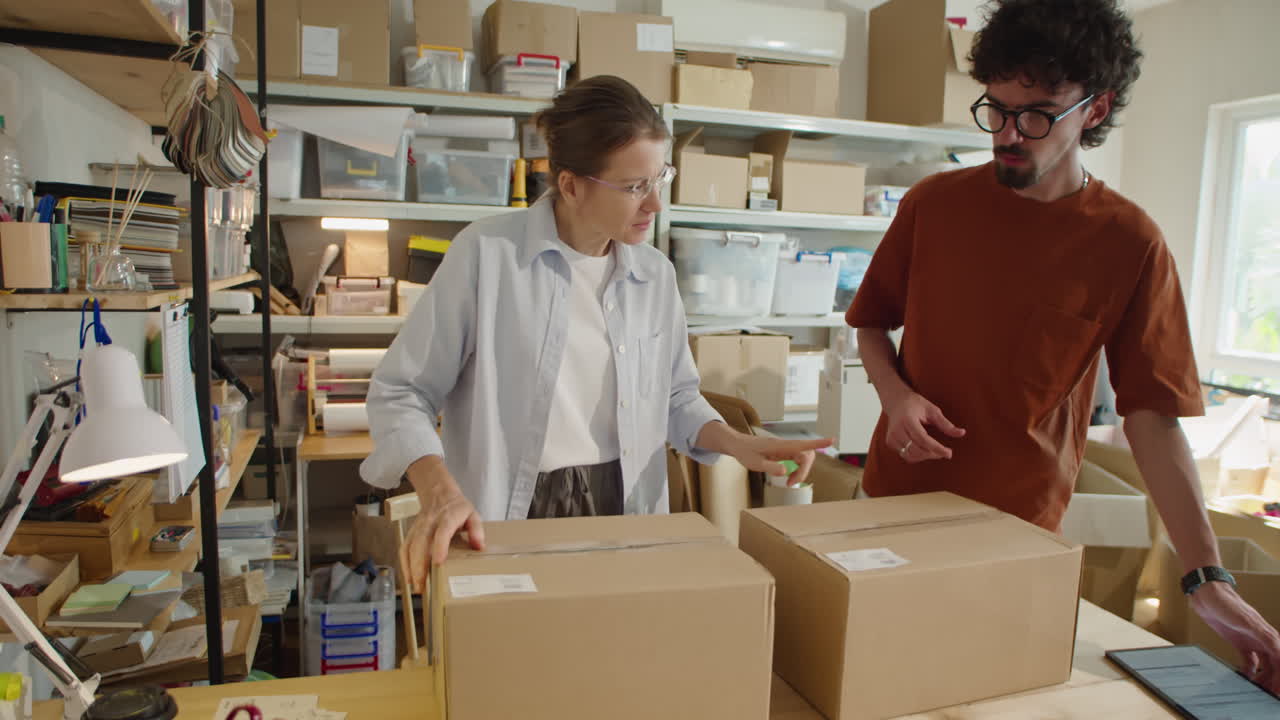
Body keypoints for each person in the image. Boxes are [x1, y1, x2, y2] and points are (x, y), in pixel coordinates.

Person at [846, 0, 1280, 691]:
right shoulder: (933, 205)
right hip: (897, 504)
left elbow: (1153, 416)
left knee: (985, 695)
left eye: (1038, 113)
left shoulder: (1130, 242)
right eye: (997, 108)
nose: (1009, 134)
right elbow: (870, 323)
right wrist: (895, 398)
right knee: (874, 684)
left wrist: (1206, 577)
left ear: (1096, 110)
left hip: (1021, 529)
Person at [361, 75, 830, 591]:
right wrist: (439, 491)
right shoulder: (487, 256)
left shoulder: (654, 276)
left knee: (615, 657)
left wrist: (738, 444)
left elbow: (676, 397)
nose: (654, 205)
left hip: (625, 500)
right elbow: (401, 392)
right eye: (634, 188)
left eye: (659, 180)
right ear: (571, 185)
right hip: (508, 508)